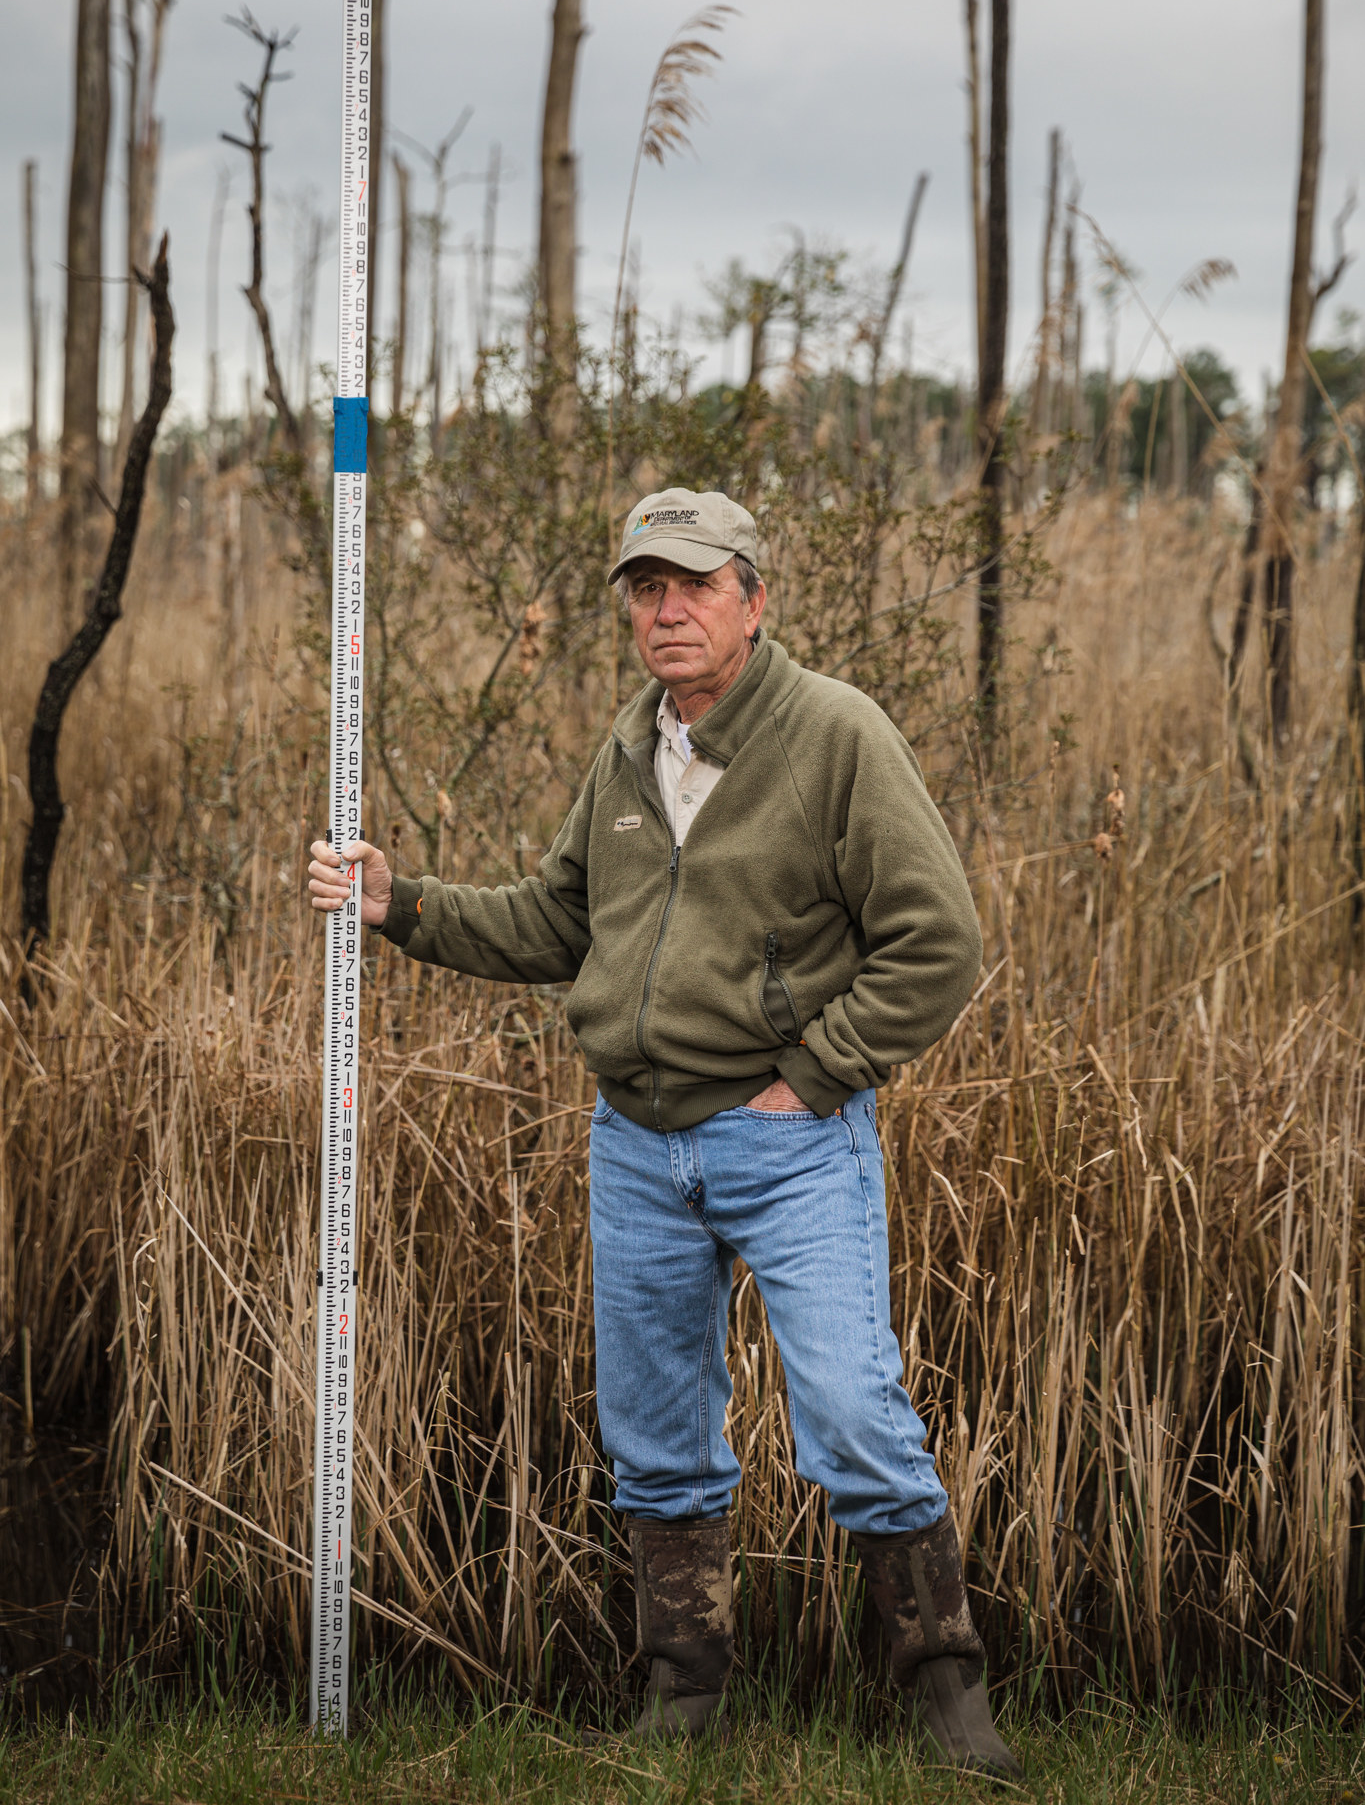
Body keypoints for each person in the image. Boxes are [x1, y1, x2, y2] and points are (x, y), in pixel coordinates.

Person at [308, 487, 1020, 1775]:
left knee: (856, 1415)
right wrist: (397, 901)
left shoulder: (834, 733)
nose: (667, 610)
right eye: (646, 588)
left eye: (693, 585)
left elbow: (941, 942)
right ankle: (684, 1699)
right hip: (636, 1148)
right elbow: (553, 923)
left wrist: (815, 1077)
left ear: (755, 597)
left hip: (789, 1145)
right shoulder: (633, 746)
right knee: (654, 1433)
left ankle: (950, 1701)